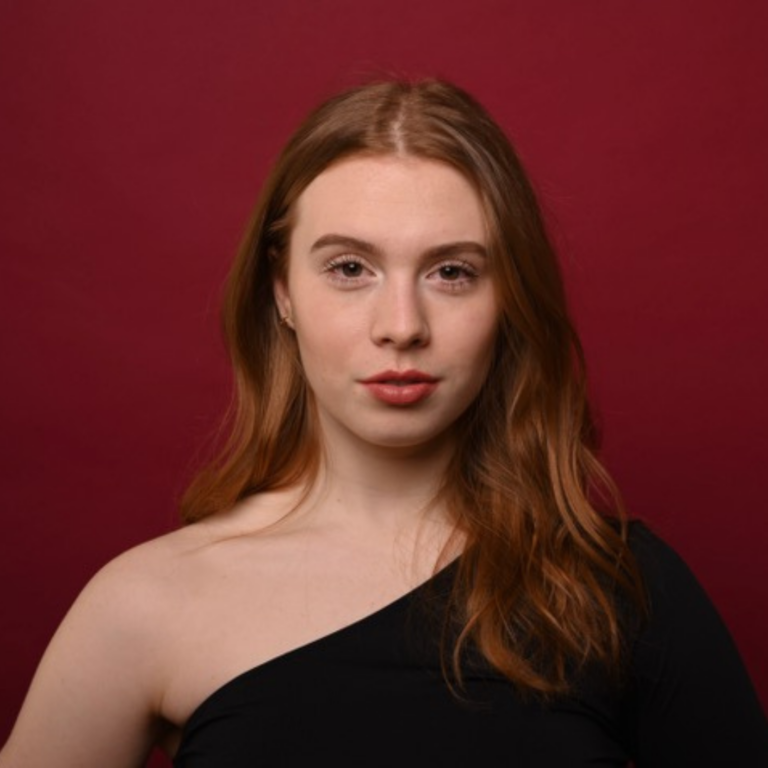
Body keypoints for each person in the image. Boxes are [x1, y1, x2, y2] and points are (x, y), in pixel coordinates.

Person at [1, 77, 766, 768]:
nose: (402, 325)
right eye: (349, 268)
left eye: (452, 272)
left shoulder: (623, 588)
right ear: (282, 293)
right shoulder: (148, 602)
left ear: (510, 300)